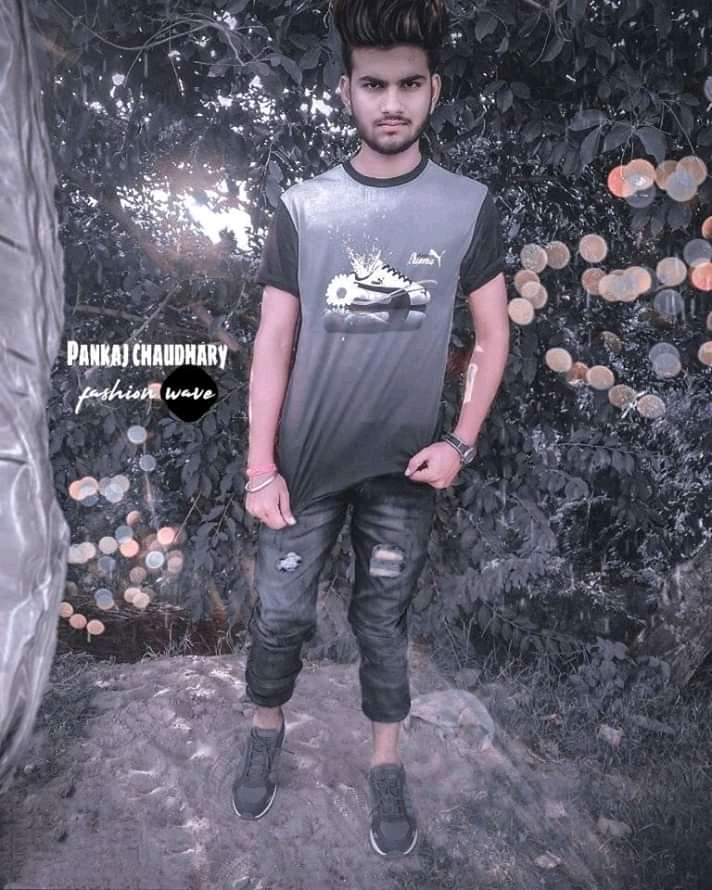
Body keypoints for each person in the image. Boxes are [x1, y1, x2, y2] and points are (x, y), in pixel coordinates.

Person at [232, 0, 510, 859]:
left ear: (434, 90)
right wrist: (259, 466)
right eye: (374, 85)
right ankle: (265, 729)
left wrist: (460, 442)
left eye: (409, 85)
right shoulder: (305, 207)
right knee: (281, 615)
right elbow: (273, 341)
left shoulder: (466, 206)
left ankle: (386, 763)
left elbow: (493, 333)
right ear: (346, 90)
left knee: (383, 621)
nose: (392, 103)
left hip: (403, 468)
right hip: (305, 464)